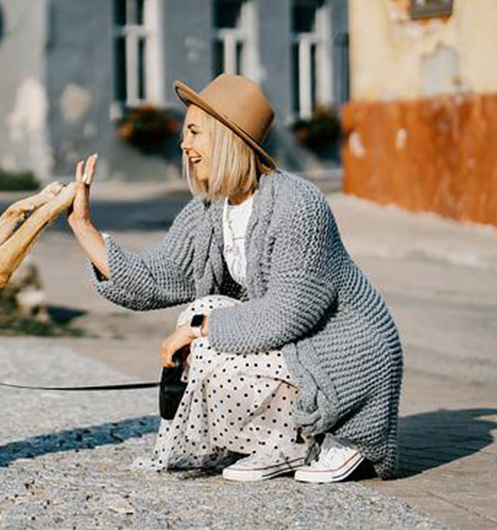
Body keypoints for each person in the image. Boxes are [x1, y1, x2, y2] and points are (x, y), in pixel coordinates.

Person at [66, 75, 402, 483]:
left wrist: (198, 331)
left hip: (343, 355)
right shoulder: (211, 210)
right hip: (295, 348)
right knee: (201, 311)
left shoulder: (299, 205)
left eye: (194, 132)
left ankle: (331, 435)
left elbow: (288, 313)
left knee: (203, 327)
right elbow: (157, 277)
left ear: (226, 136)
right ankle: (278, 443)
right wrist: (84, 228)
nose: (183, 145)